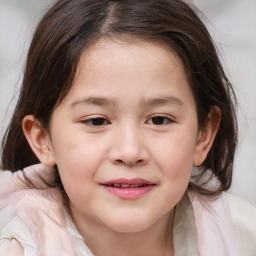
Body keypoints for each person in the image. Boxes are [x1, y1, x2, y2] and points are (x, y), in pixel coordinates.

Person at [0, 0, 255, 255]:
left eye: (159, 120)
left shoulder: (243, 236)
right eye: (96, 121)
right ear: (43, 138)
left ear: (203, 135)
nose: (130, 151)